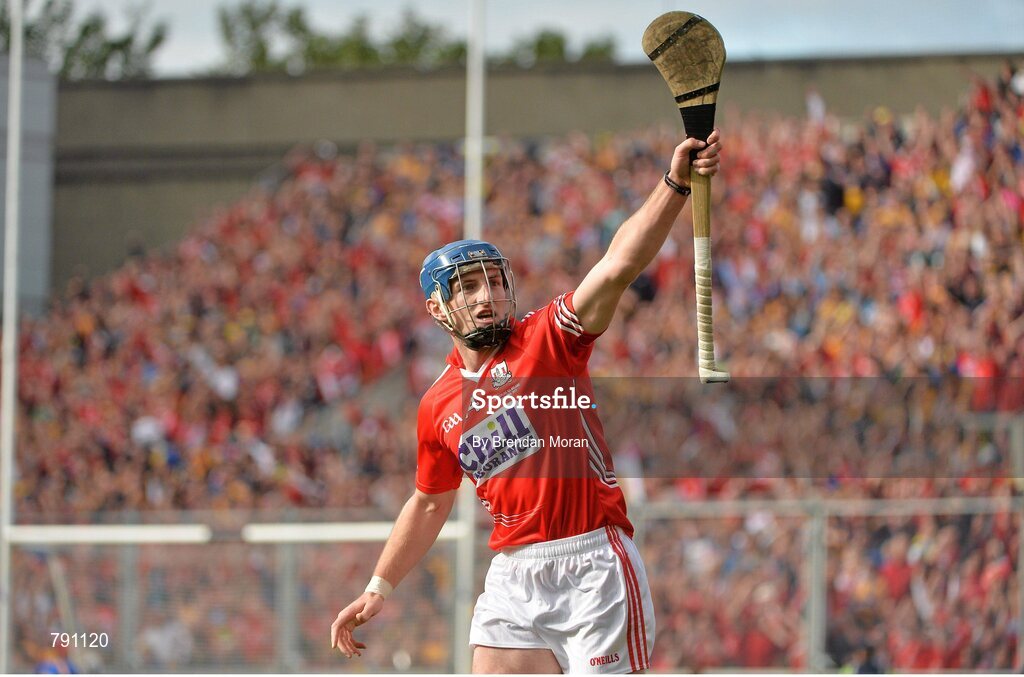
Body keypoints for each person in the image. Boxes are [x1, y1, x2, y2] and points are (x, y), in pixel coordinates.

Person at [331, 129, 722, 673]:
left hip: (594, 566)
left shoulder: (548, 339)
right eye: (467, 288)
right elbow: (428, 503)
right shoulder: (437, 405)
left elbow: (615, 267)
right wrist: (379, 586)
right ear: (436, 308)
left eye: (493, 282)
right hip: (515, 574)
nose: (485, 296)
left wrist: (675, 183)